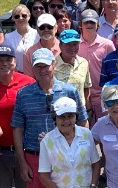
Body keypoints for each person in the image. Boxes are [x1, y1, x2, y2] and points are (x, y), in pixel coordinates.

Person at [12, 48, 89, 188]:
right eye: (38, 67)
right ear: (32, 68)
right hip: (34, 157)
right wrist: (22, 162)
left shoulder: (69, 91)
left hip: (65, 158)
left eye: (46, 66)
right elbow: (18, 128)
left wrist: (81, 152)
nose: (42, 70)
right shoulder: (23, 94)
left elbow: (83, 121)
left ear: (54, 65)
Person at [0, 45, 36, 188]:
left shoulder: (29, 83)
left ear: (15, 61)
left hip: (26, 151)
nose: (4, 63)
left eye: (8, 59)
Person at [38, 97, 100, 188]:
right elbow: (43, 175)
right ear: (55, 118)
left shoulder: (86, 134)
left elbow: (96, 163)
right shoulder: (47, 141)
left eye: (70, 116)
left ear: (76, 117)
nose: (66, 121)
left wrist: (93, 185)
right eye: (62, 117)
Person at [53, 29, 90, 100]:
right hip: (60, 109)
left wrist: (89, 109)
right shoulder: (52, 65)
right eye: (68, 44)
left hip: (80, 109)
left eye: (75, 44)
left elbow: (86, 88)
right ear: (60, 45)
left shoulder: (83, 63)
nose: (72, 48)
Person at [1, 4, 38, 72]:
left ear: (29, 16)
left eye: (24, 16)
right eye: (17, 16)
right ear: (13, 18)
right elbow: (7, 58)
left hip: (36, 74)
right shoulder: (8, 37)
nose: (20, 18)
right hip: (18, 74)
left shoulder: (37, 34)